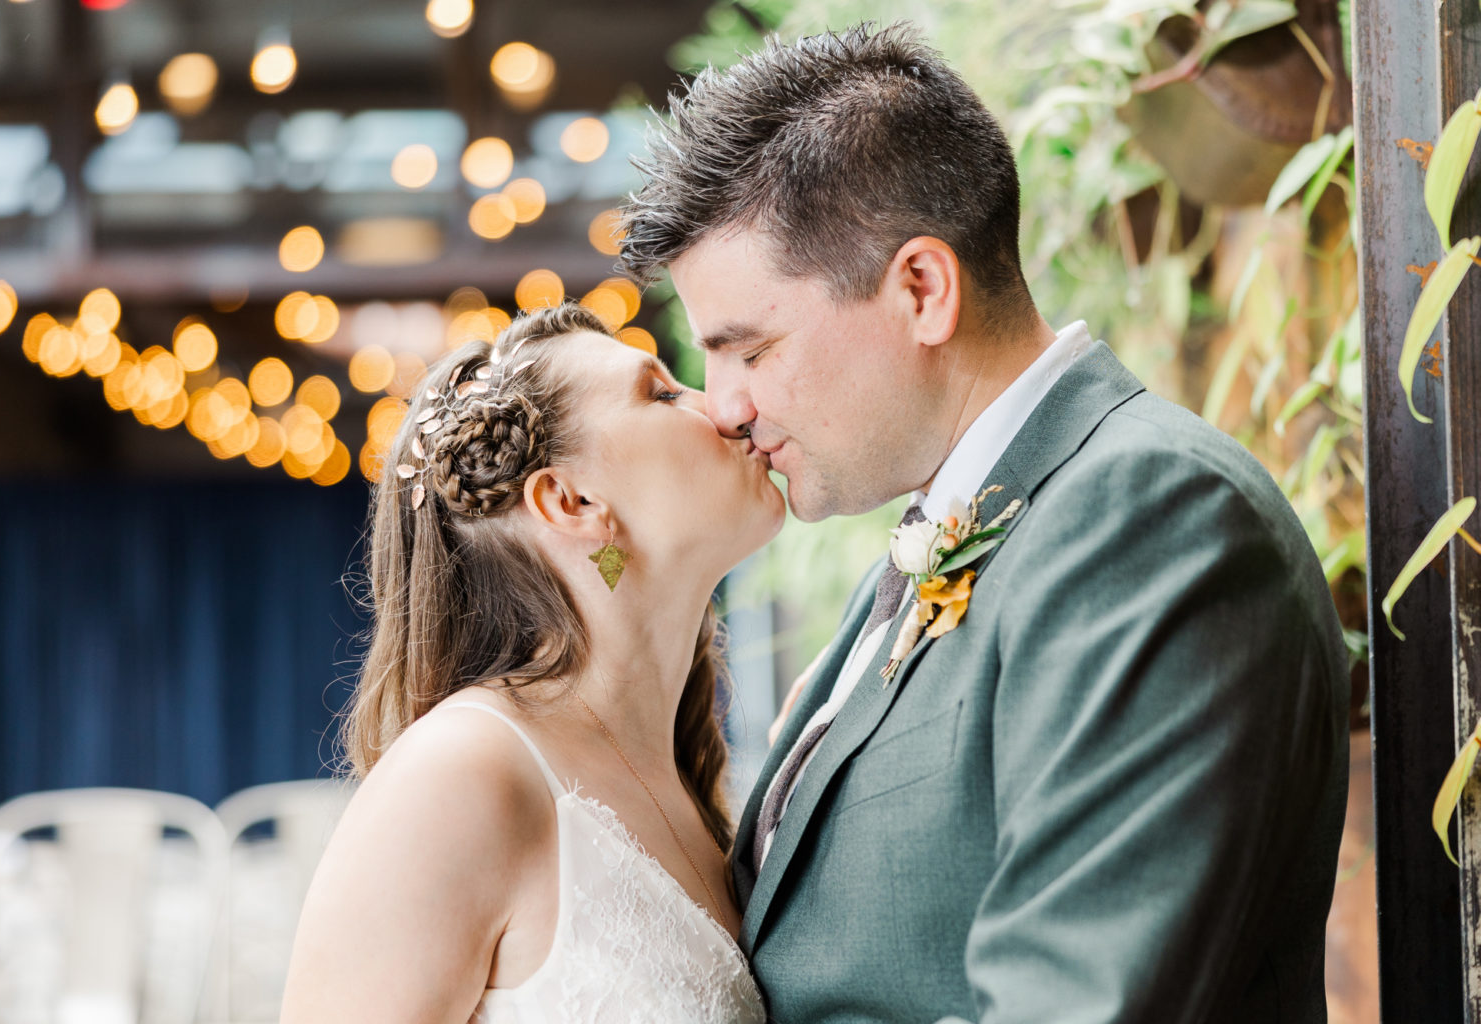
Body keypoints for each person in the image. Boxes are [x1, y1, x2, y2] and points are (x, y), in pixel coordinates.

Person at [616, 20, 1350, 1024]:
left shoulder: (1148, 520)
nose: (726, 403)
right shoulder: (963, 529)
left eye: (748, 348)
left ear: (922, 288)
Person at [280, 303, 781, 1023]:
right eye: (664, 393)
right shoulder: (460, 774)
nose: (729, 410)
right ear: (572, 501)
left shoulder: (688, 783)